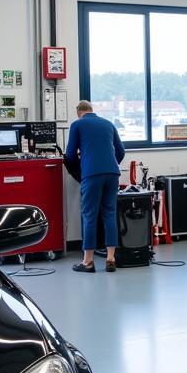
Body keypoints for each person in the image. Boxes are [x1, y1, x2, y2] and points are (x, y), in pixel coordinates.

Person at [65, 100, 126, 273]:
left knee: (90, 215)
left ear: (79, 112)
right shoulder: (108, 124)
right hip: (113, 173)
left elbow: (70, 154)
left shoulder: (77, 125)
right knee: (110, 214)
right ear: (92, 110)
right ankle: (111, 258)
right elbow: (121, 151)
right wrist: (109, 165)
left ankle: (88, 261)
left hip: (91, 174)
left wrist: (81, 164)